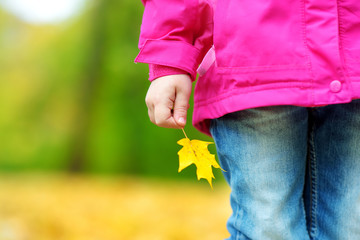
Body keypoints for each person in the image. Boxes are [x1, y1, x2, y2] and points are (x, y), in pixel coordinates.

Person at [135, 0, 360, 239]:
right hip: (250, 66)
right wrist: (170, 53)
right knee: (268, 227)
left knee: (349, 227)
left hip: (353, 66)